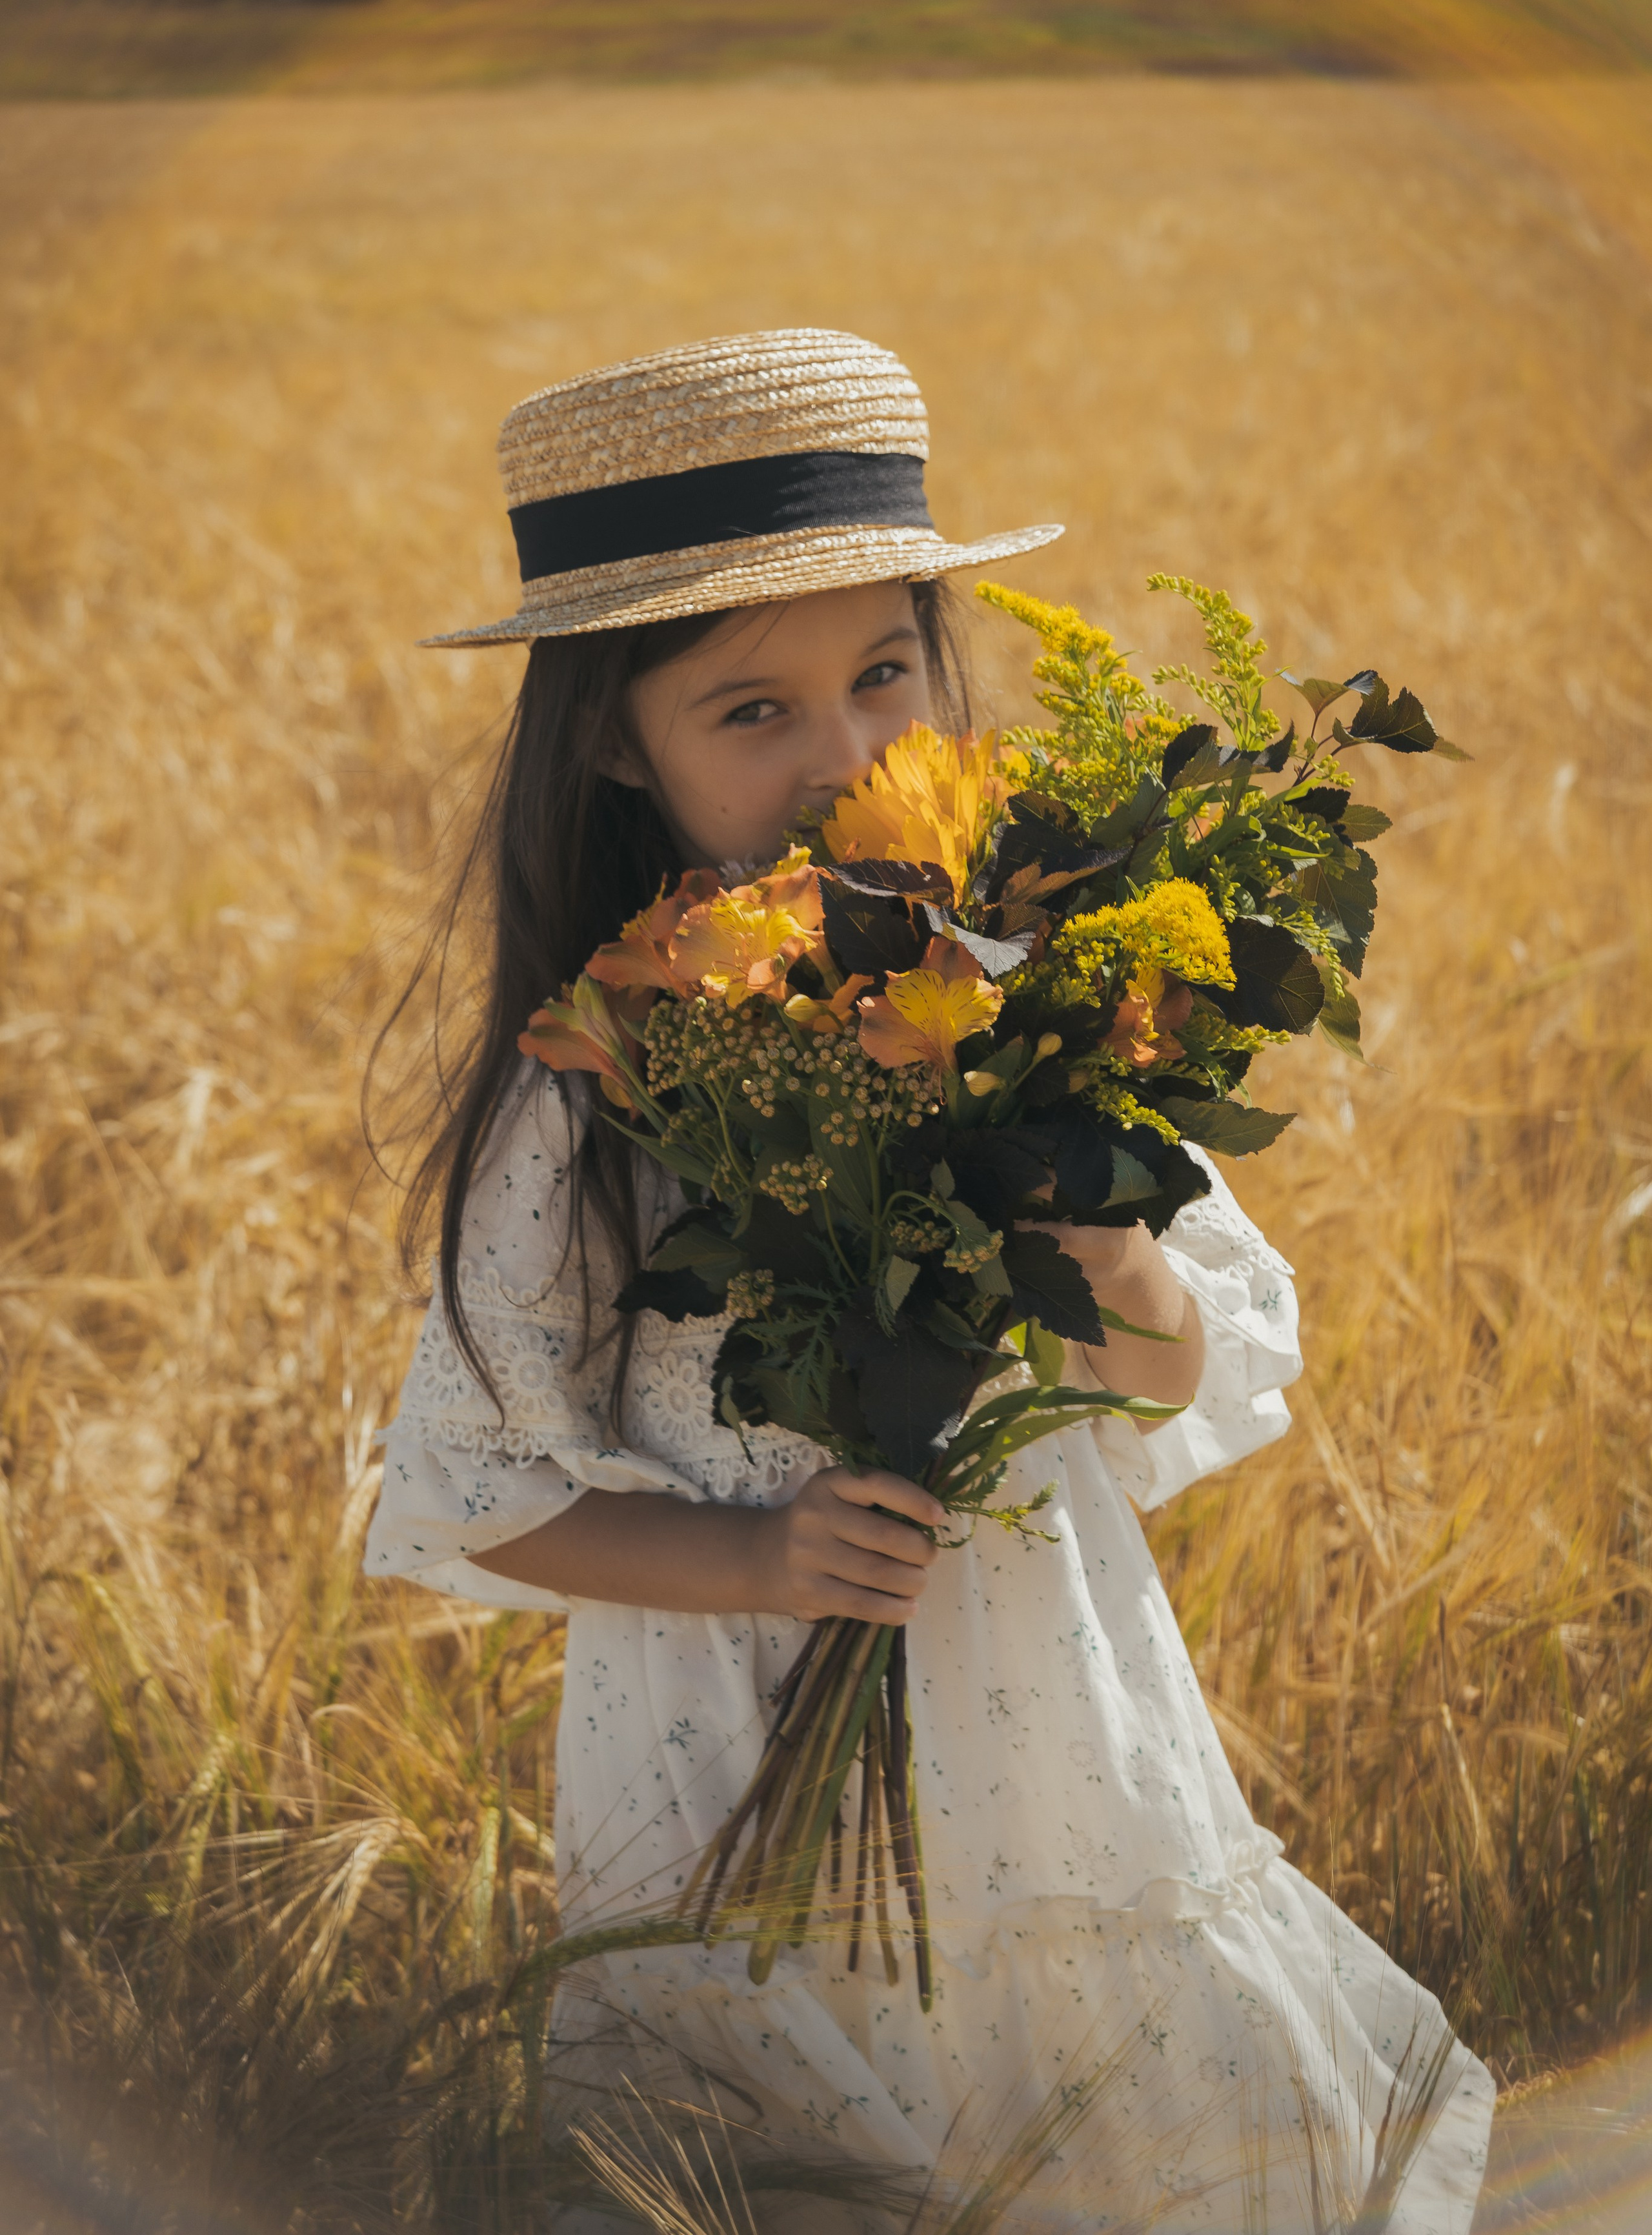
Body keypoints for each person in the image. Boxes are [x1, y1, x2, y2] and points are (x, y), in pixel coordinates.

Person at [364, 329, 1492, 2228]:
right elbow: (482, 1499)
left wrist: (1114, 1252)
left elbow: (1174, 1373)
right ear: (618, 755)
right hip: (725, 1763)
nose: (848, 757)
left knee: (1111, 2123)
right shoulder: (596, 1085)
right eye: (753, 713)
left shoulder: (1040, 1005)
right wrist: (754, 1560)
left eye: (885, 671)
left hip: (1043, 1722)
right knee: (789, 2155)